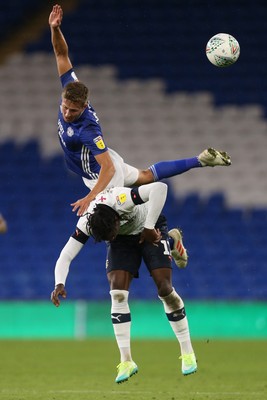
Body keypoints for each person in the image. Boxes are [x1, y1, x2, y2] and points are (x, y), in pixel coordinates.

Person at [49, 4, 231, 217]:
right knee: (146, 176)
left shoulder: (87, 130)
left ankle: (165, 240)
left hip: (101, 175)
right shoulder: (72, 88)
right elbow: (61, 54)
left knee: (119, 224)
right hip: (105, 162)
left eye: (73, 111)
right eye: (65, 107)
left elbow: (107, 169)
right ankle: (200, 160)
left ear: (84, 106)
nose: (67, 114)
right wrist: (55, 28)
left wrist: (91, 197)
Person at [51, 181, 197, 382]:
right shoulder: (88, 221)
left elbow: (160, 188)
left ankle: (187, 352)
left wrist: (147, 227)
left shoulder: (122, 199)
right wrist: (59, 283)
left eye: (109, 234)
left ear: (116, 220)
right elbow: (66, 255)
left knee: (164, 289)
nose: (107, 238)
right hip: (122, 242)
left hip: (149, 227)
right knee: (117, 292)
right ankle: (126, 360)